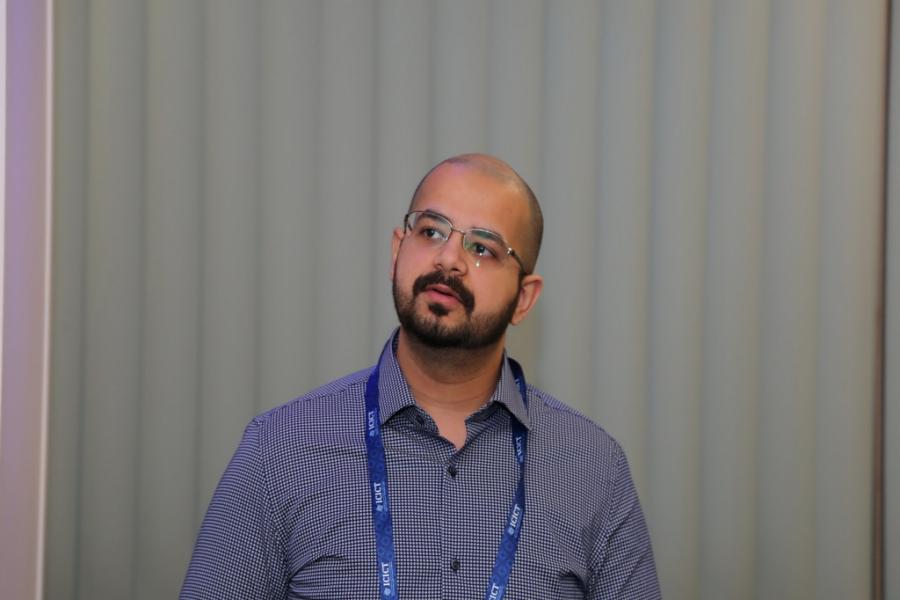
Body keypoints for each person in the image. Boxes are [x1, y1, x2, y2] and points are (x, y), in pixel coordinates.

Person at [181, 154, 661, 599]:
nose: (448, 259)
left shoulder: (593, 468)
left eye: (483, 247)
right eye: (431, 231)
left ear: (523, 298)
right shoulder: (279, 450)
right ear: (397, 252)